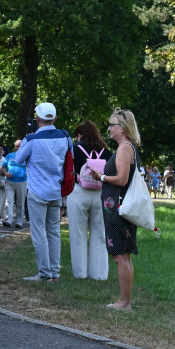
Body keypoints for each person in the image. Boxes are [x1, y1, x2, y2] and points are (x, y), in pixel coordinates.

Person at [15, 102, 72, 283]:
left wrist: (26, 139)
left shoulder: (31, 140)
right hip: (56, 189)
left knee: (39, 233)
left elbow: (18, 159)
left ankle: (45, 273)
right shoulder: (65, 137)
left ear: (37, 118)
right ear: (54, 118)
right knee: (54, 232)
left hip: (38, 190)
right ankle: (54, 273)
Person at [93, 108, 142, 310]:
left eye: (112, 125)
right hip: (121, 207)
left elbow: (121, 179)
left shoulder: (124, 148)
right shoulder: (129, 147)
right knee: (124, 255)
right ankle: (126, 301)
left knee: (119, 255)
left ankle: (124, 302)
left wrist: (101, 177)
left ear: (121, 128)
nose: (109, 129)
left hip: (117, 208)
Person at [67, 120, 109, 281]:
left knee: (78, 234)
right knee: (100, 234)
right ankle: (98, 274)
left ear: (80, 135)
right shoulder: (106, 151)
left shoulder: (75, 149)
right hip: (100, 193)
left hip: (79, 192)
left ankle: (80, 273)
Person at [2, 139, 28, 228]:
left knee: (20, 203)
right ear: (14, 147)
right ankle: (8, 220)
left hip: (22, 182)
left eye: (20, 146)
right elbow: (3, 168)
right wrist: (6, 173)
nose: (18, 148)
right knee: (9, 201)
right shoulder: (9, 155)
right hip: (9, 182)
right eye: (17, 146)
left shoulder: (27, 156)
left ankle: (19, 221)